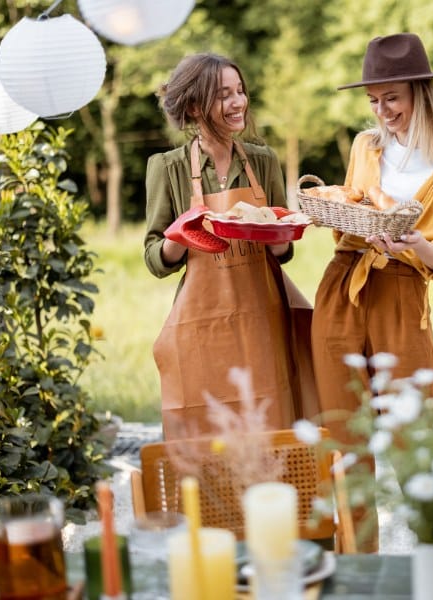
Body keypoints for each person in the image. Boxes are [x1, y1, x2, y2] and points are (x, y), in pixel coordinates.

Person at [311, 33, 433, 550]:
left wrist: (417, 244)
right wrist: (345, 220)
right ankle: (358, 562)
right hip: (344, 289)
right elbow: (351, 211)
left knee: (414, 438)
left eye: (392, 99)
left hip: (404, 297)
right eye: (373, 101)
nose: (382, 111)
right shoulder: (366, 147)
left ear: (421, 95)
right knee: (344, 440)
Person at [144, 53, 312, 440]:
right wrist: (180, 237)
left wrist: (280, 238)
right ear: (194, 106)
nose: (238, 102)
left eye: (240, 92)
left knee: (273, 425)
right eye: (224, 95)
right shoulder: (167, 168)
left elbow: (283, 251)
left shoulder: (263, 160)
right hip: (202, 326)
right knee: (210, 434)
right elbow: (154, 257)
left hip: (265, 320)